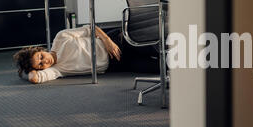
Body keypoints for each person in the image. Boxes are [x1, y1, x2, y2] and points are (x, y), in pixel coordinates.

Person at [13, 25, 158, 84]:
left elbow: (90, 28)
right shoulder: (57, 70)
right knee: (159, 68)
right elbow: (35, 78)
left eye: (40, 57)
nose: (44, 62)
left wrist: (107, 40)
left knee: (154, 48)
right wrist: (29, 68)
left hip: (113, 42)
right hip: (116, 64)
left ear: (40, 50)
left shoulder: (60, 38)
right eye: (40, 65)